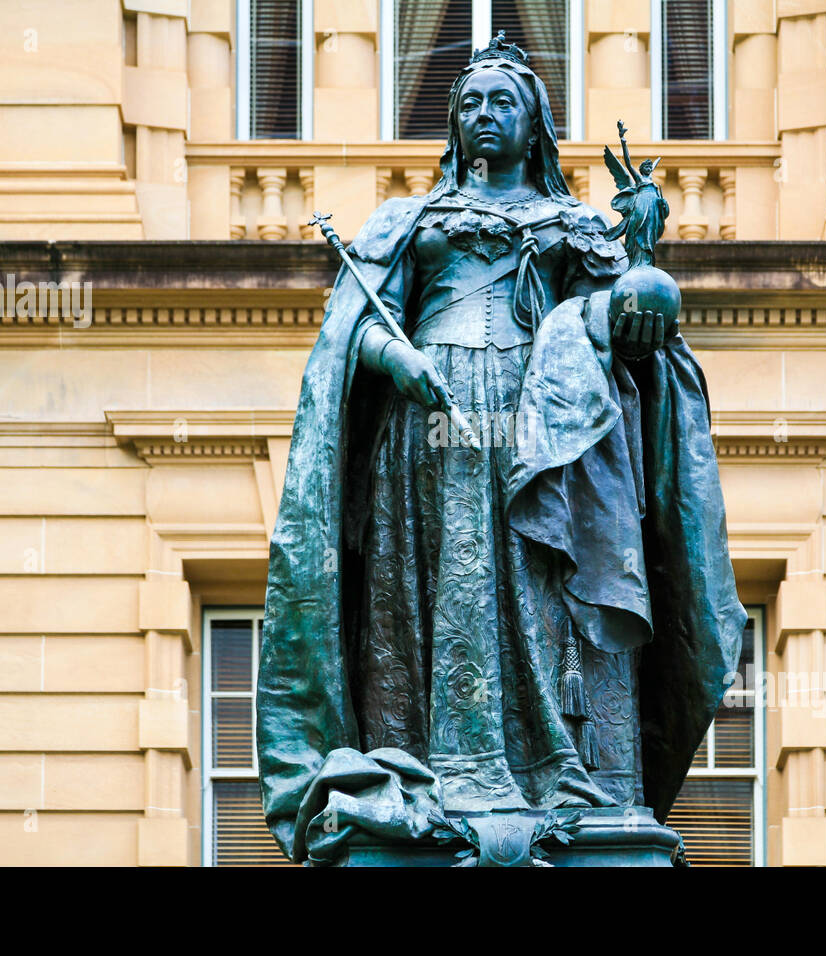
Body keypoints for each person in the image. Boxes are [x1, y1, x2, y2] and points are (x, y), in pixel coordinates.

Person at [257, 33, 746, 865]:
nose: (486, 116)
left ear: (536, 124)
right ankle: (430, 762)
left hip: (545, 429)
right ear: (453, 125)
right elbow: (357, 329)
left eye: (503, 102)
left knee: (540, 589)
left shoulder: (574, 224)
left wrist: (641, 267)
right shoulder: (411, 220)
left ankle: (564, 769)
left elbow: (629, 327)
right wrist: (396, 356)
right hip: (431, 424)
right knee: (433, 589)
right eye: (471, 103)